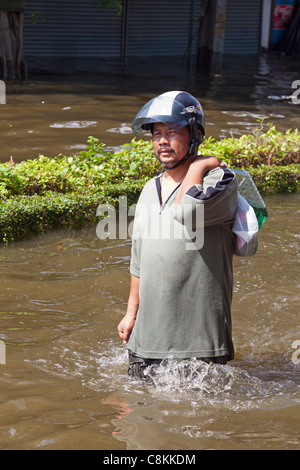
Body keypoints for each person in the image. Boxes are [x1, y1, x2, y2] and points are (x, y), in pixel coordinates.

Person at [117, 91, 238, 379]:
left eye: (172, 132)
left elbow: (187, 212)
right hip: (147, 338)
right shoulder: (149, 188)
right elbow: (139, 256)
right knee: (133, 415)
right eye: (156, 133)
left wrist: (198, 165)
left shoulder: (219, 180)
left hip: (198, 342)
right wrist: (131, 312)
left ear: (195, 134)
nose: (161, 141)